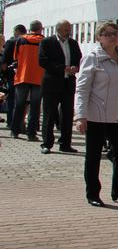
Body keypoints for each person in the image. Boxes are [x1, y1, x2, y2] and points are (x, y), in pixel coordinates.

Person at [74, 21, 118, 207]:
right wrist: (80, 116)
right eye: (107, 34)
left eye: (115, 33)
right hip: (97, 115)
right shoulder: (92, 58)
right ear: (99, 37)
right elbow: (82, 89)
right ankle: (93, 193)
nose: (112, 37)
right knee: (93, 156)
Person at [38, 20, 82, 154]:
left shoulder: (73, 43)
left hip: (68, 83)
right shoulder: (47, 42)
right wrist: (63, 68)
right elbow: (43, 61)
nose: (68, 32)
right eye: (65, 30)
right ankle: (47, 143)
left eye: (69, 29)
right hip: (52, 83)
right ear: (58, 30)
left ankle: (65, 143)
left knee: (67, 114)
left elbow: (79, 58)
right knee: (50, 114)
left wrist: (75, 67)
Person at [11, 20, 45, 141]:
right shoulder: (44, 41)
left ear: (30, 29)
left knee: (19, 105)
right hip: (38, 77)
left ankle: (15, 131)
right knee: (35, 107)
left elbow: (15, 57)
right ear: (40, 29)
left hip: (23, 76)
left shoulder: (21, 40)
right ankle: (31, 134)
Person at [1, 24, 26, 128]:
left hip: (12, 74)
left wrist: (4, 75)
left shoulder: (11, 42)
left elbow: (4, 62)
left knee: (11, 98)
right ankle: (20, 122)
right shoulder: (27, 42)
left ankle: (11, 121)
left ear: (17, 31)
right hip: (25, 75)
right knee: (23, 100)